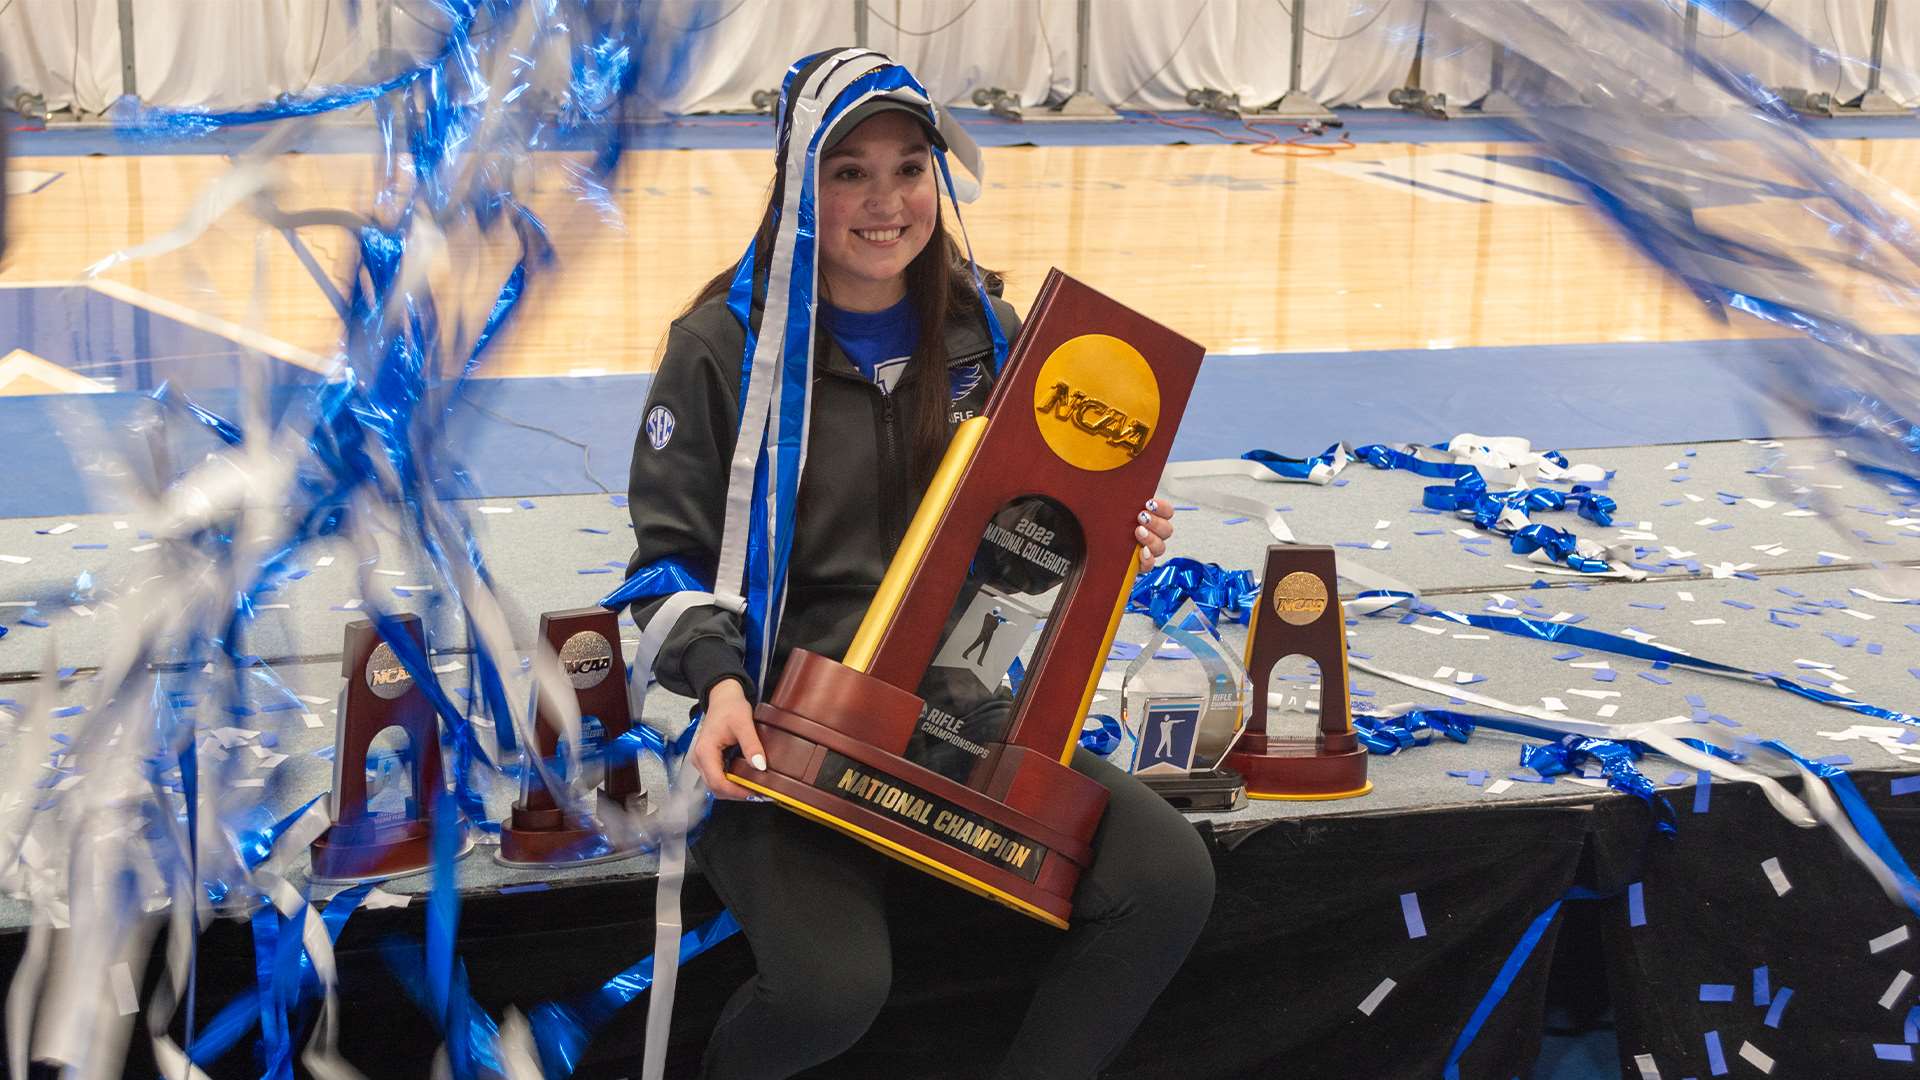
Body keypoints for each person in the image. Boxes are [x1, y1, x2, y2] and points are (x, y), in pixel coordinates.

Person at [624, 49, 1214, 1080]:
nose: (885, 202)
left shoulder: (986, 329)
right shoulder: (721, 345)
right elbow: (667, 561)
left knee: (1168, 878)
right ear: (799, 183)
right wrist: (720, 686)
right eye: (849, 171)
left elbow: (1028, 534)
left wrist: (1109, 533)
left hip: (957, 720)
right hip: (784, 733)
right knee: (830, 992)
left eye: (910, 169)